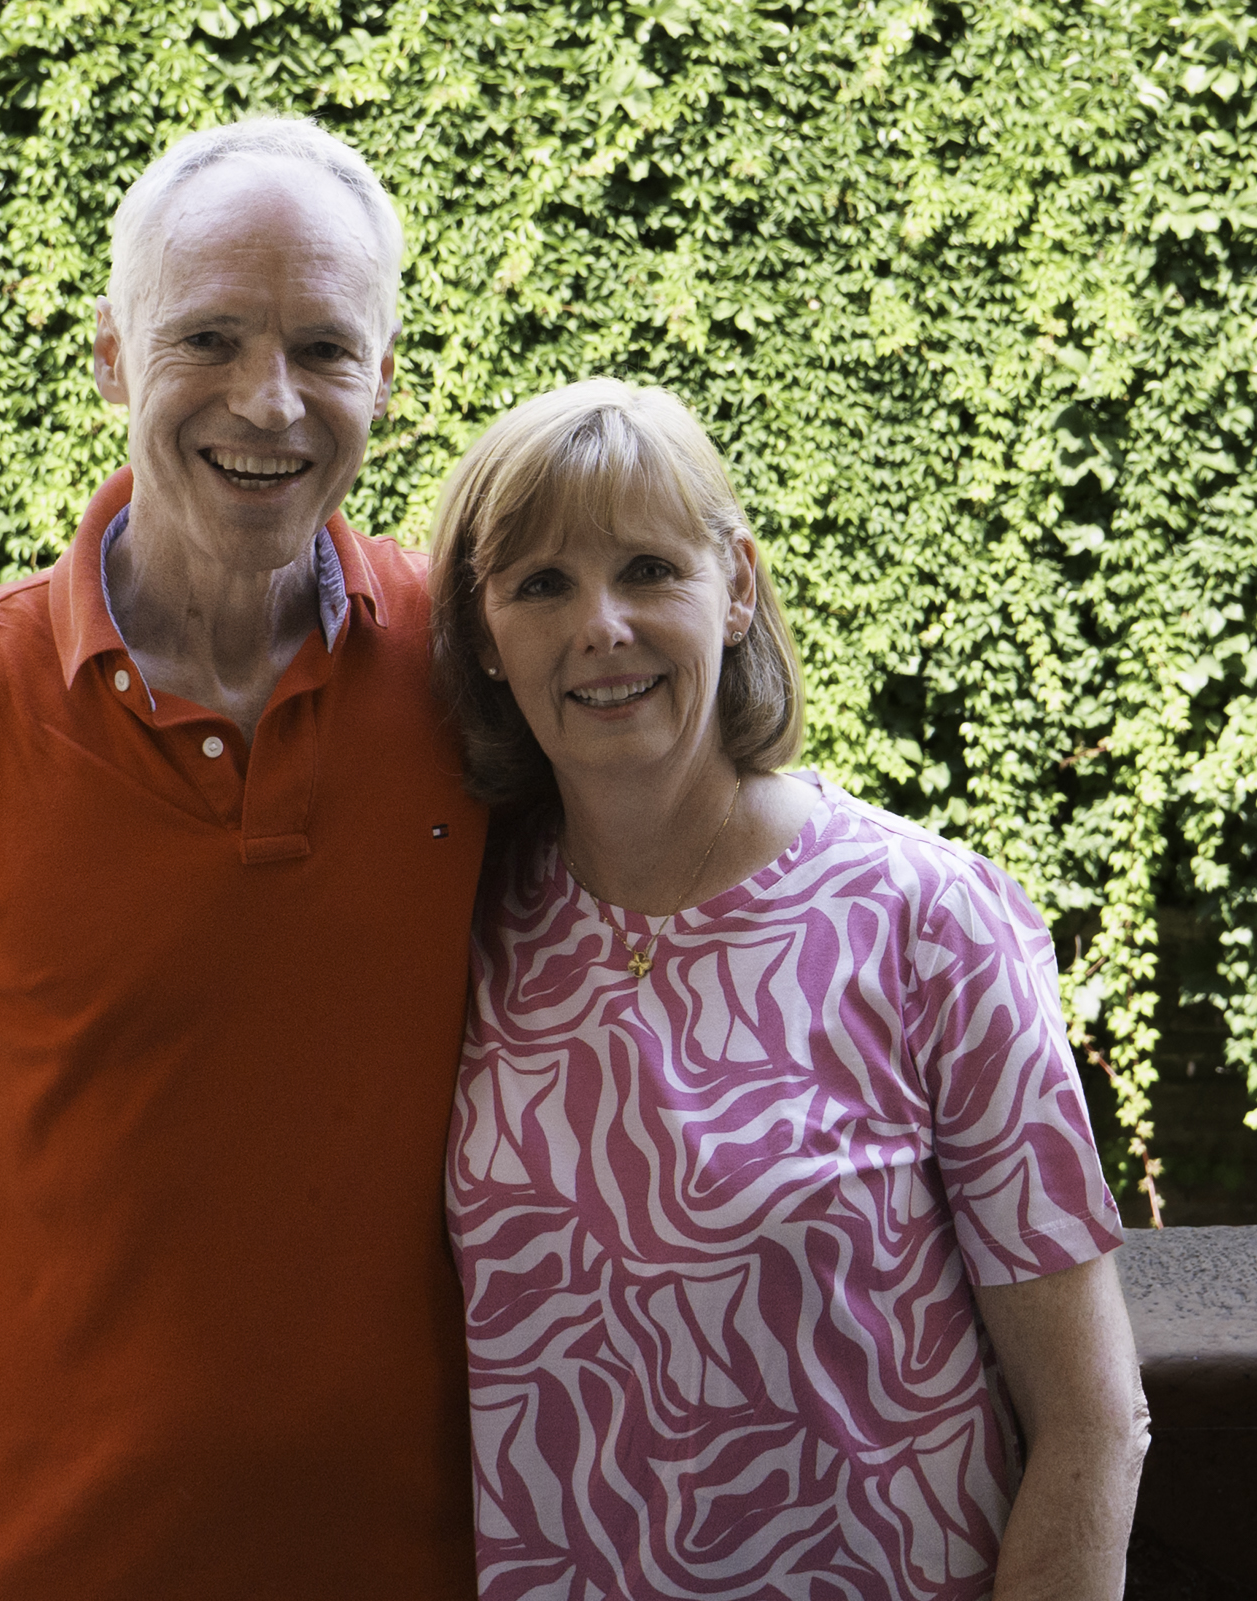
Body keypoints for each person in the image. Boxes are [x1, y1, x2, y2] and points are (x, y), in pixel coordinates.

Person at [0, 117, 487, 1601]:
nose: (269, 401)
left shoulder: (473, 680)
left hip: (428, 1569)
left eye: (324, 349)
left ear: (387, 382)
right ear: (111, 358)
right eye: (209, 337)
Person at [429, 379, 1149, 1600]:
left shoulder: (927, 920)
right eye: (541, 583)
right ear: (487, 638)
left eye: (649, 567)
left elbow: (1092, 1418)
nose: (601, 624)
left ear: (738, 586)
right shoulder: (458, 928)